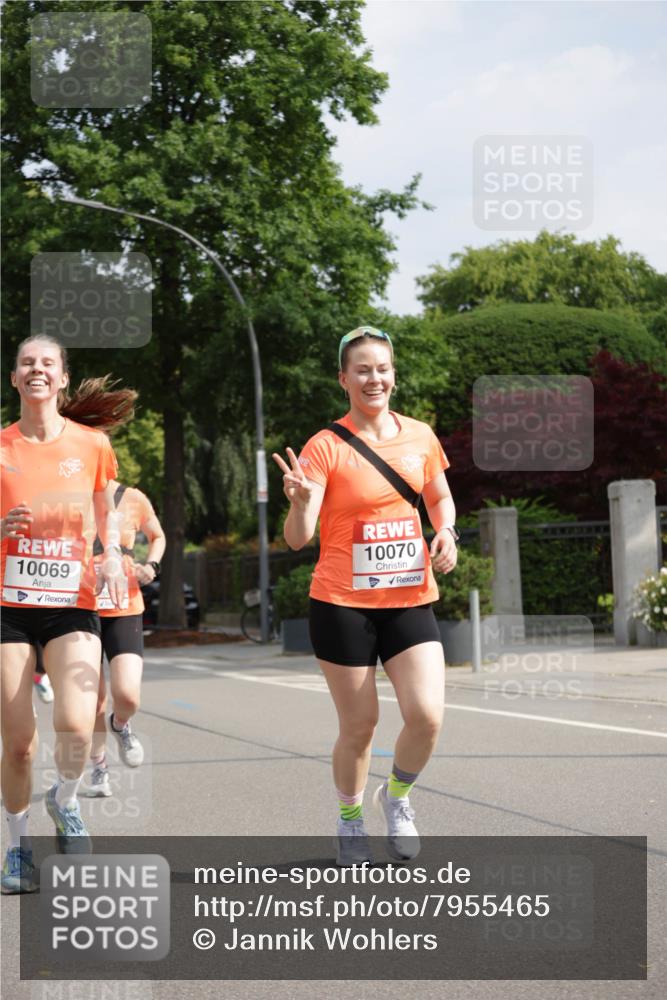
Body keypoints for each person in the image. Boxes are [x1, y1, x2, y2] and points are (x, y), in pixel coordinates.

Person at [273, 326, 457, 866]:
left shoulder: (421, 436)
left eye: (382, 368)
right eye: (362, 370)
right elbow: (297, 537)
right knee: (360, 725)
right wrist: (302, 501)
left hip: (408, 597)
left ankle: (396, 798)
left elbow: (439, 496)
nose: (373, 378)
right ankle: (350, 818)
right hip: (341, 604)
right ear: (344, 380)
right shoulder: (324, 446)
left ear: (393, 375)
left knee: (426, 715)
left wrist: (445, 531)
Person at [1, 335, 135, 892]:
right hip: (8, 605)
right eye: (27, 363)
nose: (37, 370)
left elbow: (107, 513)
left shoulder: (93, 443)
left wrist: (110, 557)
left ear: (61, 378)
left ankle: (66, 799)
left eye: (47, 363)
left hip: (72, 601)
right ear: (15, 379)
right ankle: (17, 847)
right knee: (19, 742)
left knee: (77, 725)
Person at [84, 482, 165, 797]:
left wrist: (151, 565)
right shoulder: (67, 493)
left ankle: (120, 725)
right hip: (79, 608)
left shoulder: (133, 498)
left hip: (124, 605)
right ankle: (98, 768)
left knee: (128, 696)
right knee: (92, 700)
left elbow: (158, 536)